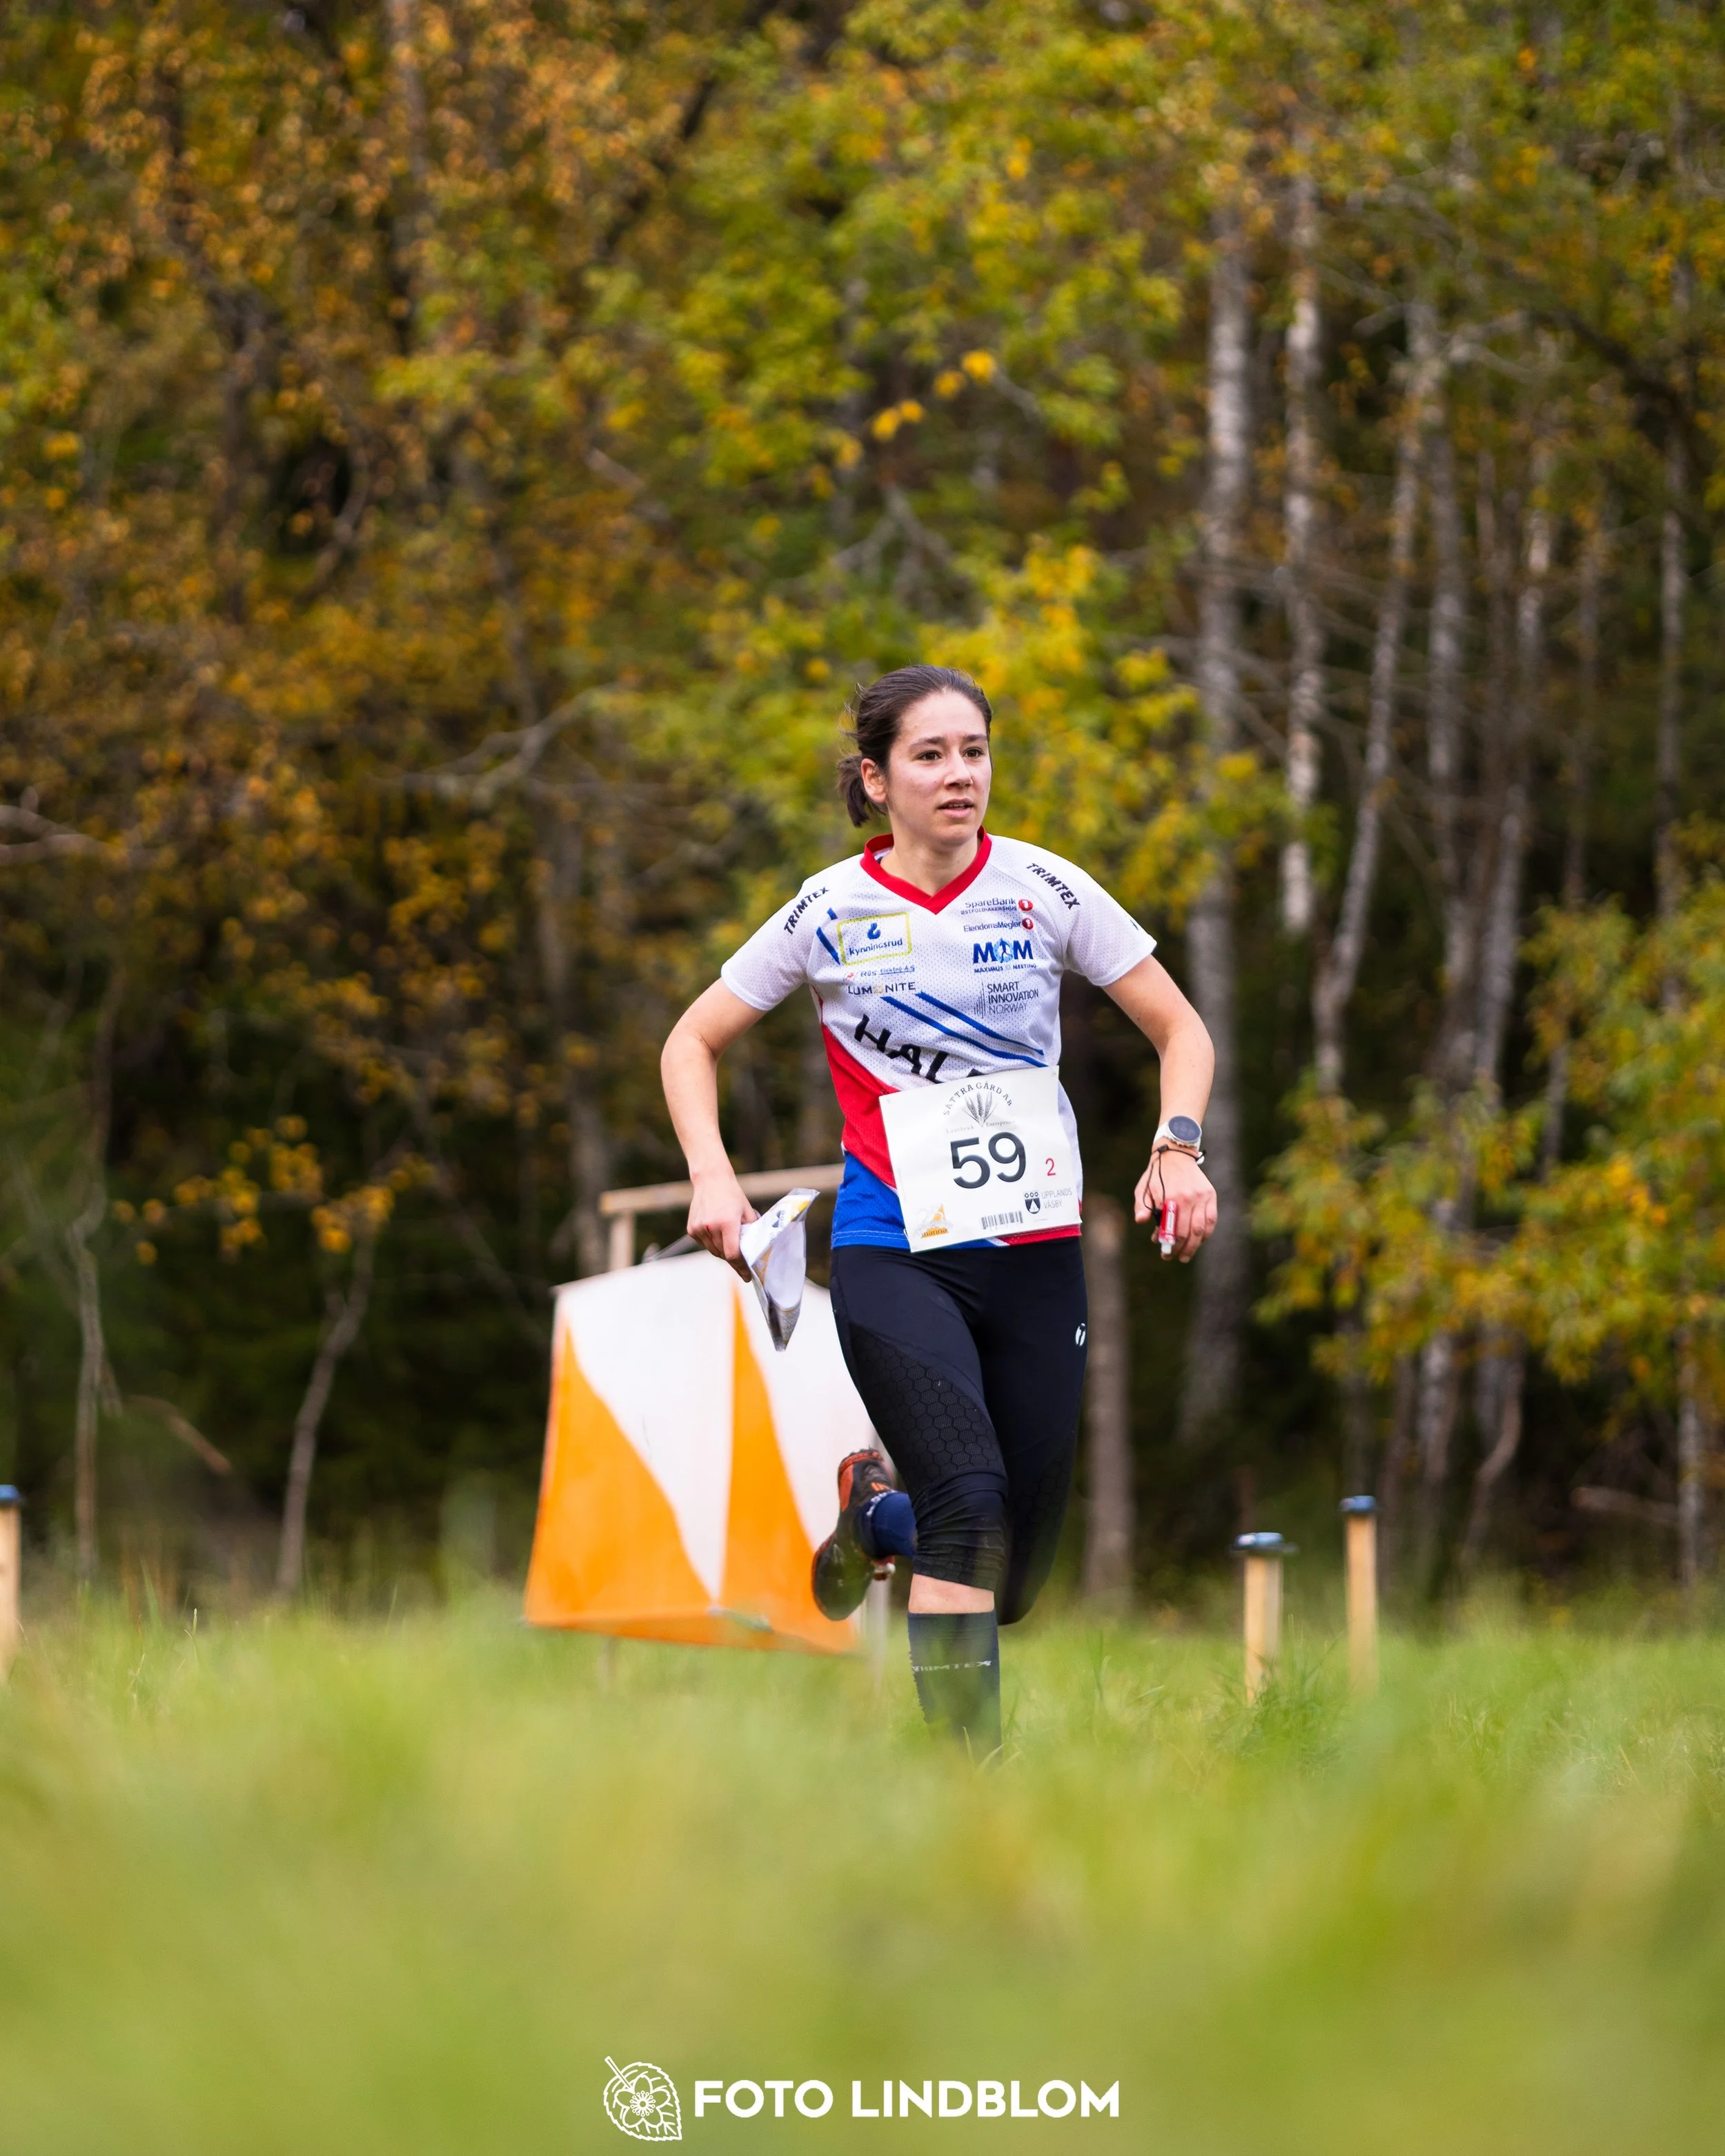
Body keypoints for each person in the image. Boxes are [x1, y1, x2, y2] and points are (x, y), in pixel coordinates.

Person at [660, 665, 1216, 1756]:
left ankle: (874, 1515)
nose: (960, 775)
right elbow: (692, 1040)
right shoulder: (828, 908)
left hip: (1035, 1253)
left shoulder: (1047, 890)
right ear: (875, 779)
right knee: (969, 1505)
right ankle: (972, 1788)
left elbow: (1181, 1031)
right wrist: (711, 1175)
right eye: (930, 755)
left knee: (1009, 1574)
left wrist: (1178, 1147)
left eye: (975, 751)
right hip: (893, 1249)